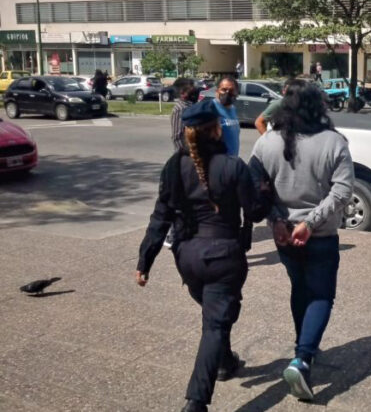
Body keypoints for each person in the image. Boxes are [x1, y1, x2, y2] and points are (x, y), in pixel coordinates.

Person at [135, 99, 271, 412]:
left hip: (187, 259)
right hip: (224, 256)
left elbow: (160, 217)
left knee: (216, 314)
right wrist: (265, 191)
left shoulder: (173, 166)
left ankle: (225, 361)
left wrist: (145, 261)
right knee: (215, 324)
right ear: (216, 130)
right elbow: (254, 211)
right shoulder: (233, 166)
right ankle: (196, 402)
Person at [250, 80, 354, 401]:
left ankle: (303, 347)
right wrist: (310, 223)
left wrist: (277, 221)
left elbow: (256, 187)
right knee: (321, 295)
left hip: (283, 236)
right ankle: (303, 358)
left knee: (300, 288)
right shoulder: (334, 142)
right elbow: (343, 190)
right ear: (318, 107)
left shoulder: (265, 142)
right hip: (320, 235)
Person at [213, 77, 241, 156]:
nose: (227, 93)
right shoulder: (212, 109)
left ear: (237, 93)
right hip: (219, 160)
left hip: (233, 159)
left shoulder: (233, 109)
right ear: (217, 91)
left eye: (231, 90)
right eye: (224, 89)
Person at [171, 77, 197, 153]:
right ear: (182, 92)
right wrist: (182, 154)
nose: (193, 92)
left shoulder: (191, 104)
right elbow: (177, 136)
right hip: (186, 152)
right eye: (190, 90)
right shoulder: (179, 109)